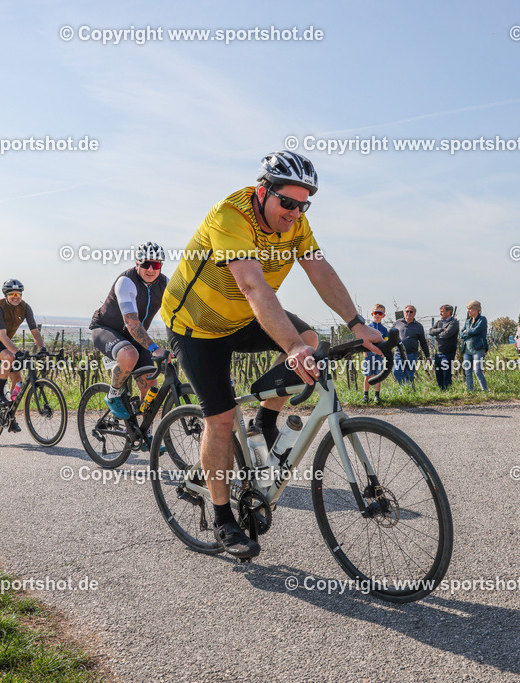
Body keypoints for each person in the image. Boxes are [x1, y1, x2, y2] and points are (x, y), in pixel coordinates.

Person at [160, 150, 384, 559]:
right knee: (221, 417)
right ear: (263, 191)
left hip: (243, 317)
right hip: (197, 326)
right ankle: (224, 517)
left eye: (303, 205)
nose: (295, 213)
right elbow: (253, 286)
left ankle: (263, 420)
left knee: (310, 337)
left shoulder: (295, 222)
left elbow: (320, 270)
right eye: (287, 203)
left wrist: (356, 323)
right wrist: (292, 348)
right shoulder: (231, 215)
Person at [89, 243, 169, 433]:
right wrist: (154, 348)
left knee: (151, 384)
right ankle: (113, 394)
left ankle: (146, 434)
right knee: (129, 355)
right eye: (146, 264)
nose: (151, 269)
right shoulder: (126, 282)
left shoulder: (165, 283)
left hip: (135, 338)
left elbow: (178, 313)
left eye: (156, 265)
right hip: (106, 329)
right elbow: (132, 323)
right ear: (137, 263)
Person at [0, 279, 47, 432]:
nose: (16, 297)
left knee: (17, 377)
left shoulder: (25, 308)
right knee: (9, 357)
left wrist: (42, 348)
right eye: (12, 294)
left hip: (3, 343)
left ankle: (10, 415)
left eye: (18, 294)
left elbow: (35, 331)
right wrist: (17, 352)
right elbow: (2, 335)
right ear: (6, 295)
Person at [392, 306, 430, 386]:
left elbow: (423, 342)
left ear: (414, 314)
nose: (409, 313)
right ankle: (406, 387)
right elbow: (390, 336)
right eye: (407, 311)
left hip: (411, 354)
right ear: (404, 312)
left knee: (409, 374)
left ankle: (406, 390)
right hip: (398, 353)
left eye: (411, 312)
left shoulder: (418, 326)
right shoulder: (397, 323)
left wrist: (427, 356)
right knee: (396, 371)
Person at [363, 304, 390, 403]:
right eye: (375, 312)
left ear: (383, 315)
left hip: (379, 355)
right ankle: (365, 395)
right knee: (368, 375)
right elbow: (363, 341)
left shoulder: (384, 330)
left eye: (380, 313)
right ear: (372, 314)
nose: (377, 315)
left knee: (378, 375)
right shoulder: (367, 328)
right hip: (369, 354)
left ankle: (377, 396)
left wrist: (384, 353)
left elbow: (386, 342)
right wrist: (365, 352)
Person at [429, 304, 459, 391]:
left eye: (442, 311)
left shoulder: (453, 323)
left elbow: (447, 334)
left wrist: (437, 334)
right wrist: (441, 330)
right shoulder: (439, 323)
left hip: (448, 352)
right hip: (438, 352)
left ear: (448, 312)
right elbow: (431, 331)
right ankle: (441, 390)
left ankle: (447, 390)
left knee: (446, 373)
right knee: (438, 373)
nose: (440, 313)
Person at [460, 300, 488, 391]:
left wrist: (467, 331)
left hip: (478, 349)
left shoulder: (482, 320)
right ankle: (470, 391)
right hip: (467, 350)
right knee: (468, 372)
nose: (468, 311)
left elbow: (476, 331)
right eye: (468, 309)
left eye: (470, 309)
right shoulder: (468, 321)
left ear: (476, 309)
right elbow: (461, 334)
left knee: (477, 371)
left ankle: (485, 390)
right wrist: (468, 332)